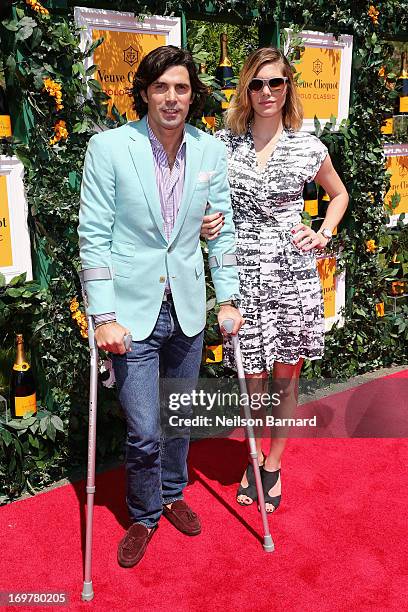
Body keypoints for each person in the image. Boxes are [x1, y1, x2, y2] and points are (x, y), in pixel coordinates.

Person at [78, 45, 243, 568]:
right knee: (145, 426)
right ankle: (144, 512)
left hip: (189, 307)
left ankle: (173, 492)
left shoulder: (209, 152)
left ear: (193, 95)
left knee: (178, 416)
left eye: (182, 87)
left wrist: (230, 296)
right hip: (131, 314)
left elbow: (221, 231)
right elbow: (93, 237)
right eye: (161, 87)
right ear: (145, 93)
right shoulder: (108, 149)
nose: (172, 98)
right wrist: (102, 317)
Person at [201, 47, 348, 512]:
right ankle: (252, 452)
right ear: (247, 89)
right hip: (243, 271)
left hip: (291, 271)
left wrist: (323, 231)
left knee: (286, 377)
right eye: (258, 83)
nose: (267, 92)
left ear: (288, 89)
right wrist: (205, 223)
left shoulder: (308, 146)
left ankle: (272, 463)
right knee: (253, 379)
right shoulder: (224, 144)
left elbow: (339, 193)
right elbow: (205, 202)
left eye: (276, 83)